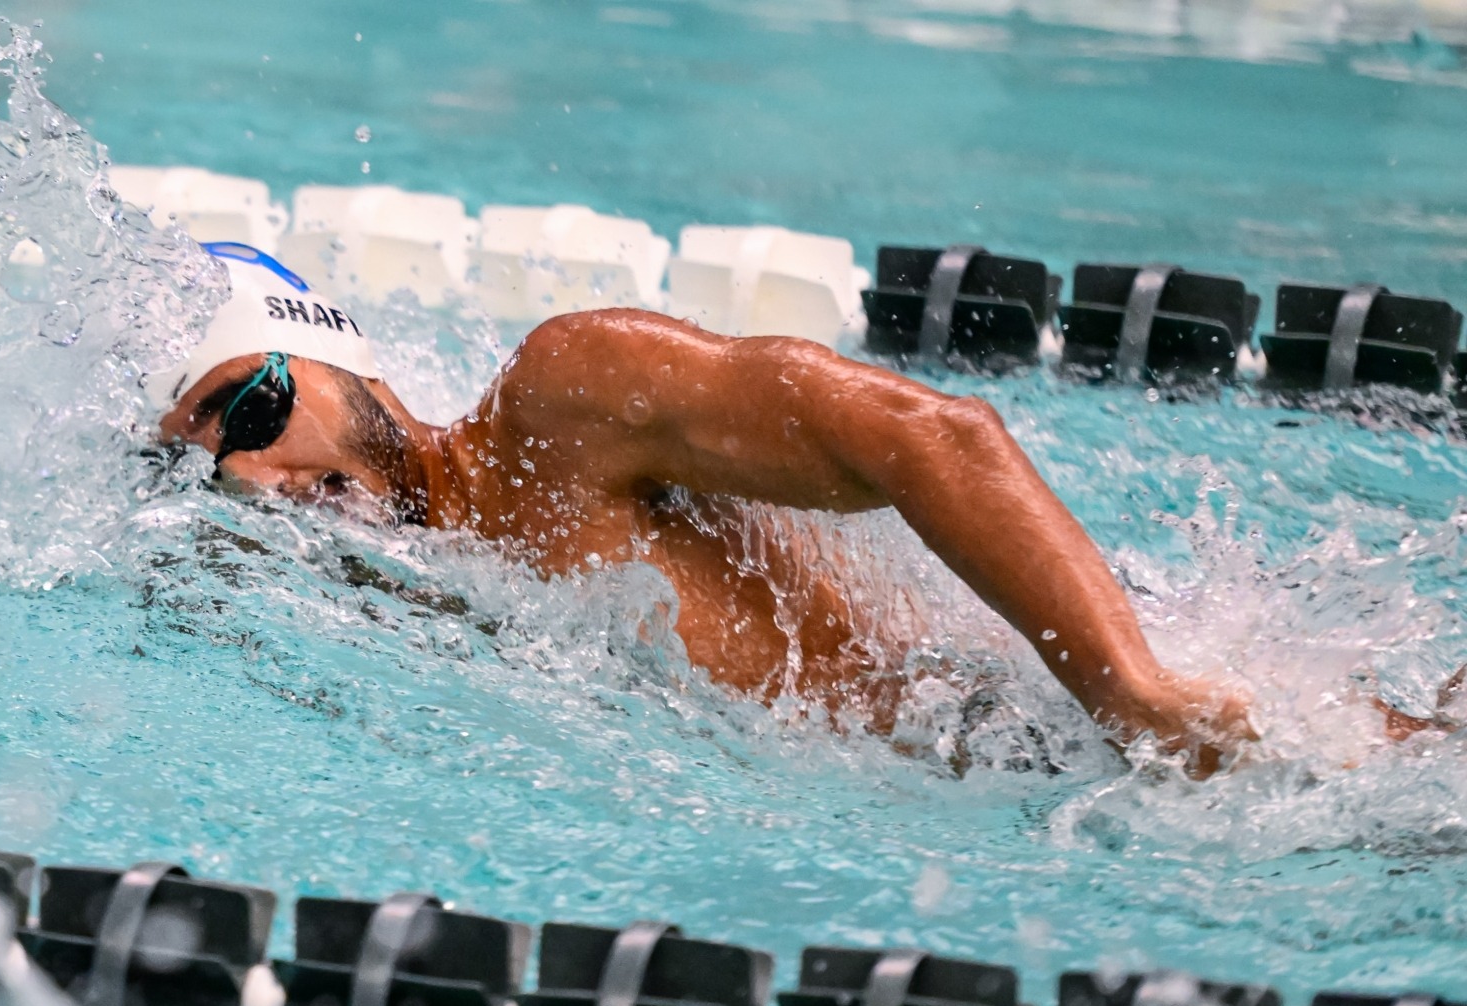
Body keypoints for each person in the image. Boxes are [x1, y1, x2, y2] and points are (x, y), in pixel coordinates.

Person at [147, 242, 1457, 776]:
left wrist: (1135, 694)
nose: (251, 476)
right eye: (211, 463)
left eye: (251, 407)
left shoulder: (560, 402)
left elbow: (930, 431)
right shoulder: (398, 598)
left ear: (332, 351)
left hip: (1070, 722)